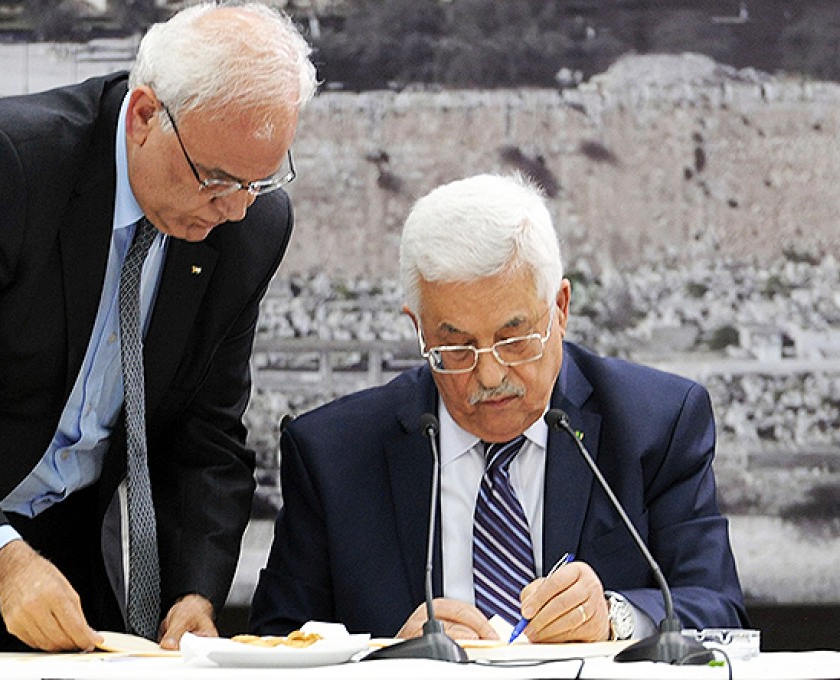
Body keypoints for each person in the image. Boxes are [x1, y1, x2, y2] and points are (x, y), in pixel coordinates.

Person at [0, 2, 316, 653]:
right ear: (143, 117)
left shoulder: (250, 225)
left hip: (62, 554)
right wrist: (3, 562)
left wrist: (195, 595)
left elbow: (207, 434)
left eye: (260, 179)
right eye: (216, 178)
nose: (233, 209)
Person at [250, 173, 748, 643]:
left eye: (514, 339)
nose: (489, 376)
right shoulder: (332, 455)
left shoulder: (655, 424)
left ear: (561, 308)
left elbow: (717, 609)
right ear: (419, 329)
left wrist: (615, 617)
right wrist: (387, 661)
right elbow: (278, 643)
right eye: (458, 348)